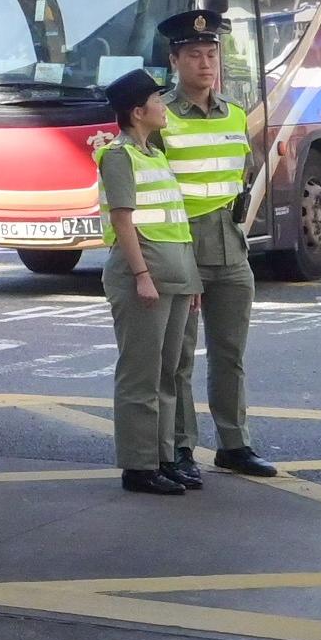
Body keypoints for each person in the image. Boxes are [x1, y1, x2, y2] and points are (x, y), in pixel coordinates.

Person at [153, 8, 278, 480]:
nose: (205, 64)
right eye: (194, 55)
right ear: (175, 60)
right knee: (179, 358)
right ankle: (182, 447)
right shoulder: (160, 116)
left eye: (211, 54)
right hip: (181, 245)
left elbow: (240, 182)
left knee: (231, 353)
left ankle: (235, 443)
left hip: (230, 247)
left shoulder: (236, 115)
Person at [97, 68, 202, 495]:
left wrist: (191, 278)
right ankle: (138, 466)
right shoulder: (120, 155)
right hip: (146, 279)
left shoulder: (154, 154)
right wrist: (142, 275)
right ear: (138, 112)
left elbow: (176, 222)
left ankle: (162, 457)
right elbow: (123, 221)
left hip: (174, 277)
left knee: (168, 373)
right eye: (158, 101)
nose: (165, 106)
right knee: (141, 374)